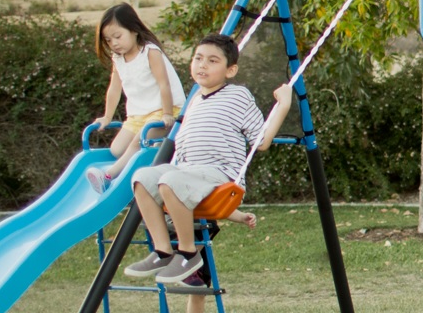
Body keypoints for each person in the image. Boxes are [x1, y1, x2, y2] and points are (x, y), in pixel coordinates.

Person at [122, 33, 297, 291]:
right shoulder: (194, 101)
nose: (202, 65)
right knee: (142, 179)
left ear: (231, 70)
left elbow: (261, 142)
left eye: (213, 61)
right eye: (198, 58)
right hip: (188, 174)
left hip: (220, 175)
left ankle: (188, 253)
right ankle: (162, 251)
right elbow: (182, 151)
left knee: (169, 180)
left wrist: (283, 104)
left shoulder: (238, 95)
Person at [88, 4, 184, 191]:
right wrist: (107, 117)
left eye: (118, 36)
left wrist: (166, 114)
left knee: (138, 141)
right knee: (116, 149)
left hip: (166, 110)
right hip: (138, 115)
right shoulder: (118, 59)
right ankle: (151, 145)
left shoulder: (149, 52)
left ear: (134, 30)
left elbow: (164, 84)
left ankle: (108, 175)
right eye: (108, 40)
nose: (114, 43)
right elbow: (114, 89)